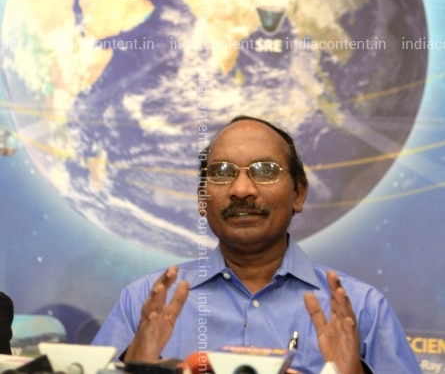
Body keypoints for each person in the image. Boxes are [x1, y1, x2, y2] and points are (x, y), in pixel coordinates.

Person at [93, 116, 421, 374]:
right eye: (222, 172)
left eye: (265, 171)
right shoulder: (144, 303)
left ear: (298, 193)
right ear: (202, 199)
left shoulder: (361, 310)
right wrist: (136, 367)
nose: (241, 190)